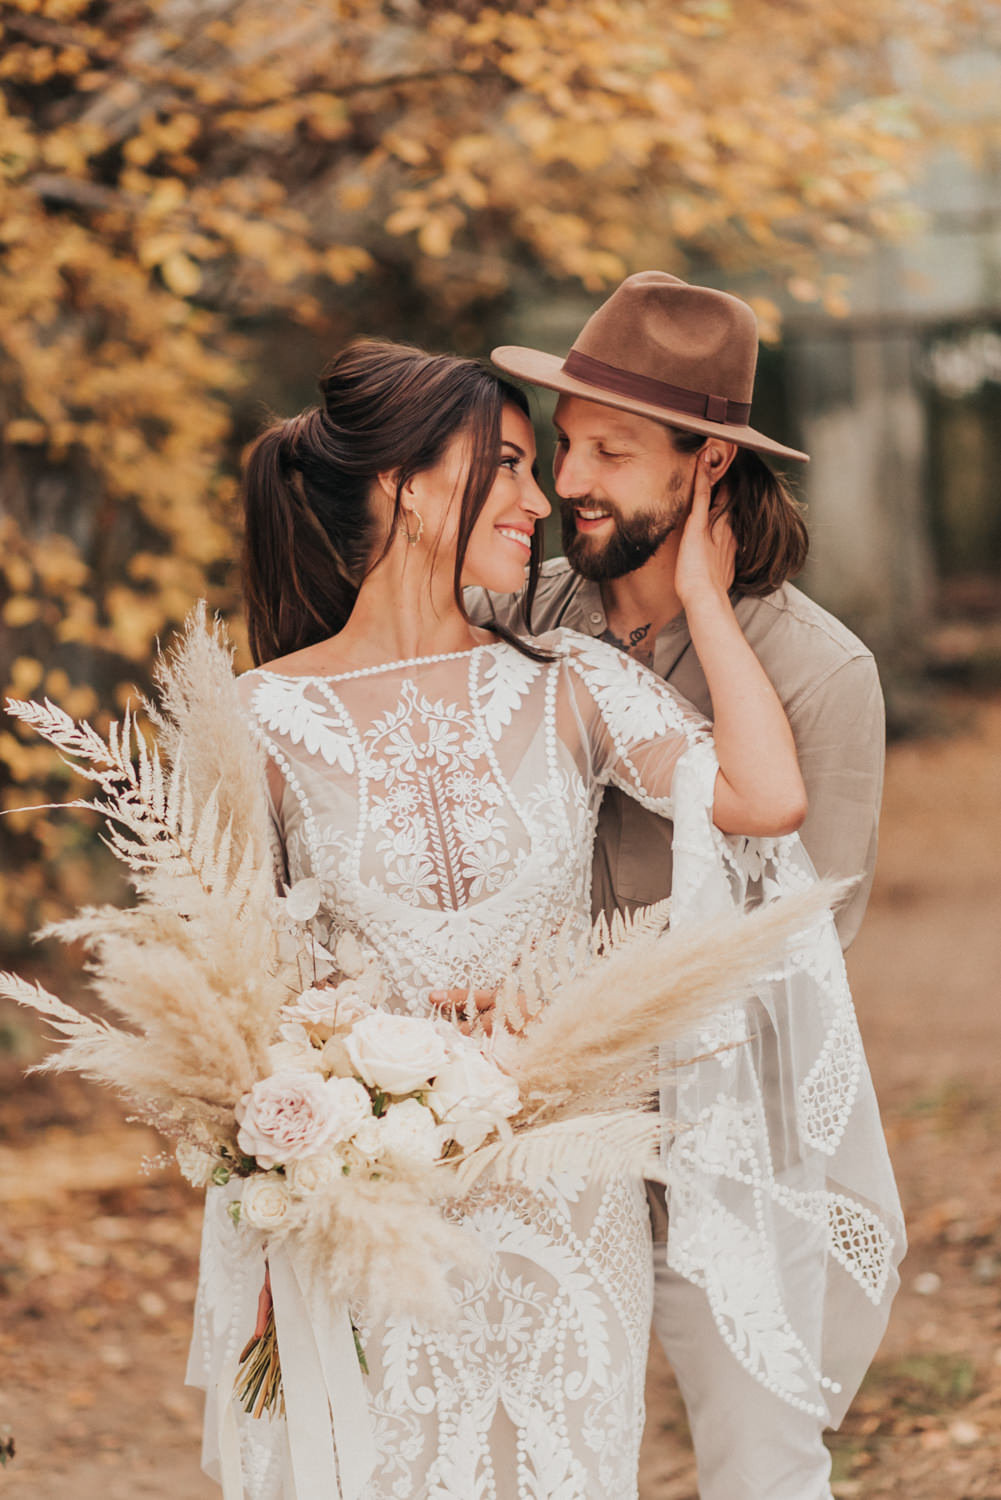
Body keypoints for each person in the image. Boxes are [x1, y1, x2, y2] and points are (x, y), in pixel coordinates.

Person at [185, 336, 845, 1500]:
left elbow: (761, 798)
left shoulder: (567, 681)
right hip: (369, 1210)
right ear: (404, 484)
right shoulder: (256, 719)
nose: (541, 500)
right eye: (507, 465)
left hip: (561, 1208)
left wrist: (701, 589)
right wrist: (331, 1099)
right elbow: (231, 996)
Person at [466, 270, 903, 1500]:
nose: (566, 484)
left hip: (728, 1138)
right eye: (563, 446)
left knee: (762, 1464)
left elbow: (807, 936)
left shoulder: (819, 673)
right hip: (532, 1131)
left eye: (611, 450)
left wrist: (706, 608)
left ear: (706, 465)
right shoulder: (519, 624)